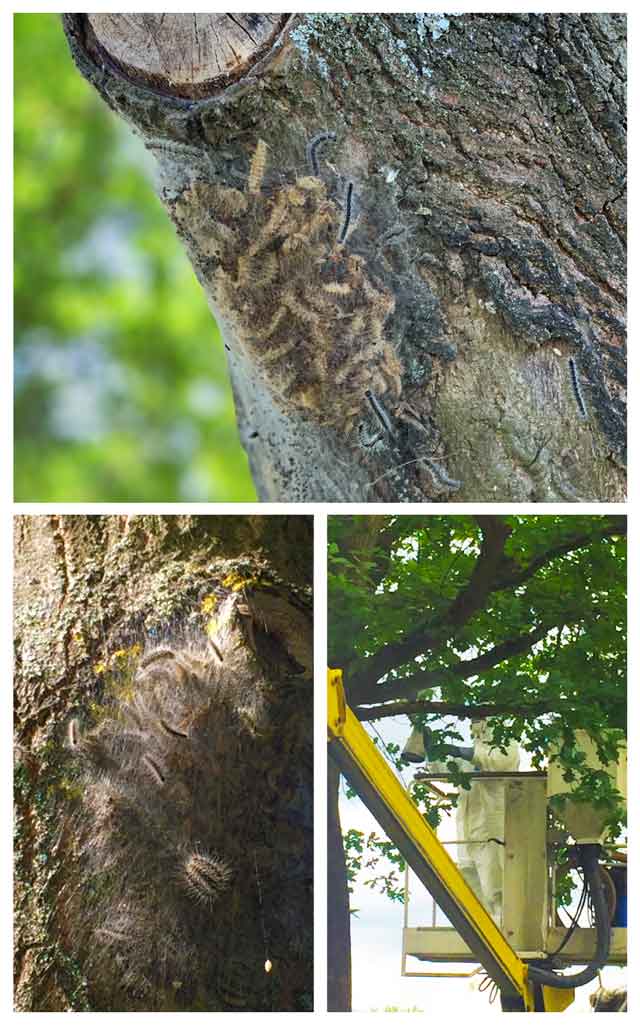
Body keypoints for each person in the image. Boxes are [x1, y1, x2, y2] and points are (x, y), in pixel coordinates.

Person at [402, 719, 520, 923]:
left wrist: (458, 750)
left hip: (492, 831)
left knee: (495, 887)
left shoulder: (506, 745)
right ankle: (480, 929)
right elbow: (449, 770)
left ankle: (503, 932)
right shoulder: (473, 756)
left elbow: (498, 761)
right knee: (470, 887)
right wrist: (432, 748)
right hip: (469, 832)